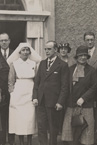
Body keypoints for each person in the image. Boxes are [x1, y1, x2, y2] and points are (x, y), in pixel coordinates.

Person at [33, 40, 69, 145]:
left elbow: (65, 86)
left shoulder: (62, 65)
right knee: (41, 127)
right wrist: (35, 97)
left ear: (55, 50)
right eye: (45, 49)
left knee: (53, 128)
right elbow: (37, 82)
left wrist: (60, 102)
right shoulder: (43, 63)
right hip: (41, 101)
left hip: (54, 102)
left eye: (49, 49)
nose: (46, 51)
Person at [62, 45, 97, 145]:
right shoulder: (70, 69)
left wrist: (83, 98)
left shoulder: (92, 71)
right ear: (76, 57)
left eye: (85, 55)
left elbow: (94, 87)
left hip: (86, 106)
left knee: (86, 134)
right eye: (80, 55)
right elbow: (65, 86)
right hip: (71, 106)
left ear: (87, 57)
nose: (83, 57)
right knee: (70, 135)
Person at [7, 42, 41, 145]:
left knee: (30, 117)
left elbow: (37, 79)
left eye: (27, 50)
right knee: (20, 117)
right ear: (19, 52)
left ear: (30, 52)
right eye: (23, 50)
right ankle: (21, 141)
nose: (25, 52)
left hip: (30, 90)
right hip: (18, 91)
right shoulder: (14, 64)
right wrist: (12, 92)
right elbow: (11, 80)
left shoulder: (33, 64)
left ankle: (29, 141)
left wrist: (36, 93)